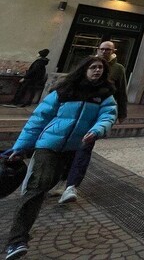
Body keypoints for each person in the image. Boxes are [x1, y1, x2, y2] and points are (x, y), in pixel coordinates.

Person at [2, 56, 117, 260]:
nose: (97, 71)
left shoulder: (104, 95)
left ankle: (23, 225)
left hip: (73, 147)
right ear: (83, 69)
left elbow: (108, 116)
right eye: (93, 67)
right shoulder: (64, 91)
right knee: (37, 188)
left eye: (100, 68)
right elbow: (39, 118)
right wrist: (20, 146)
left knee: (50, 183)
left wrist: (98, 130)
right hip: (49, 144)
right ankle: (17, 240)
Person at [56, 40, 128, 204]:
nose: (105, 52)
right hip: (74, 116)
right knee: (67, 150)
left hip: (96, 116)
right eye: (102, 49)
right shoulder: (86, 64)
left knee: (83, 149)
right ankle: (61, 180)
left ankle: (71, 186)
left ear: (113, 51)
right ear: (98, 50)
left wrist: (121, 112)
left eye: (108, 50)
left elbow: (121, 91)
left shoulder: (118, 69)